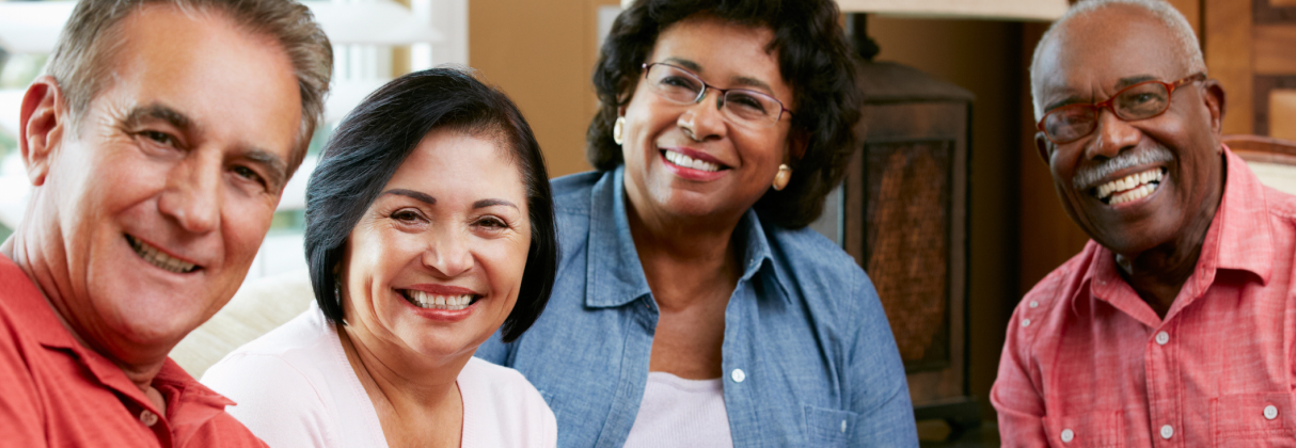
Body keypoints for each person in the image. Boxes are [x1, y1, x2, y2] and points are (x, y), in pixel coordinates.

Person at [475, 0, 917, 446]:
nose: (700, 121)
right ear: (626, 94)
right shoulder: (517, 249)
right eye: (677, 81)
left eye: (748, 101)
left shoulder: (840, 299)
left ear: (795, 146)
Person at [0, 0, 330, 445]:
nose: (195, 212)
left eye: (246, 173)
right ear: (46, 131)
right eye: (159, 138)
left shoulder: (227, 436)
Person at [202, 67, 560, 448]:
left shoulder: (519, 411)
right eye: (408, 216)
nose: (450, 261)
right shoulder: (267, 394)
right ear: (338, 234)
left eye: (489, 222)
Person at [992, 0, 1296, 445]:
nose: (1111, 141)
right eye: (1072, 119)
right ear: (1047, 156)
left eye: (1143, 99)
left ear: (1212, 112)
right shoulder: (1035, 333)